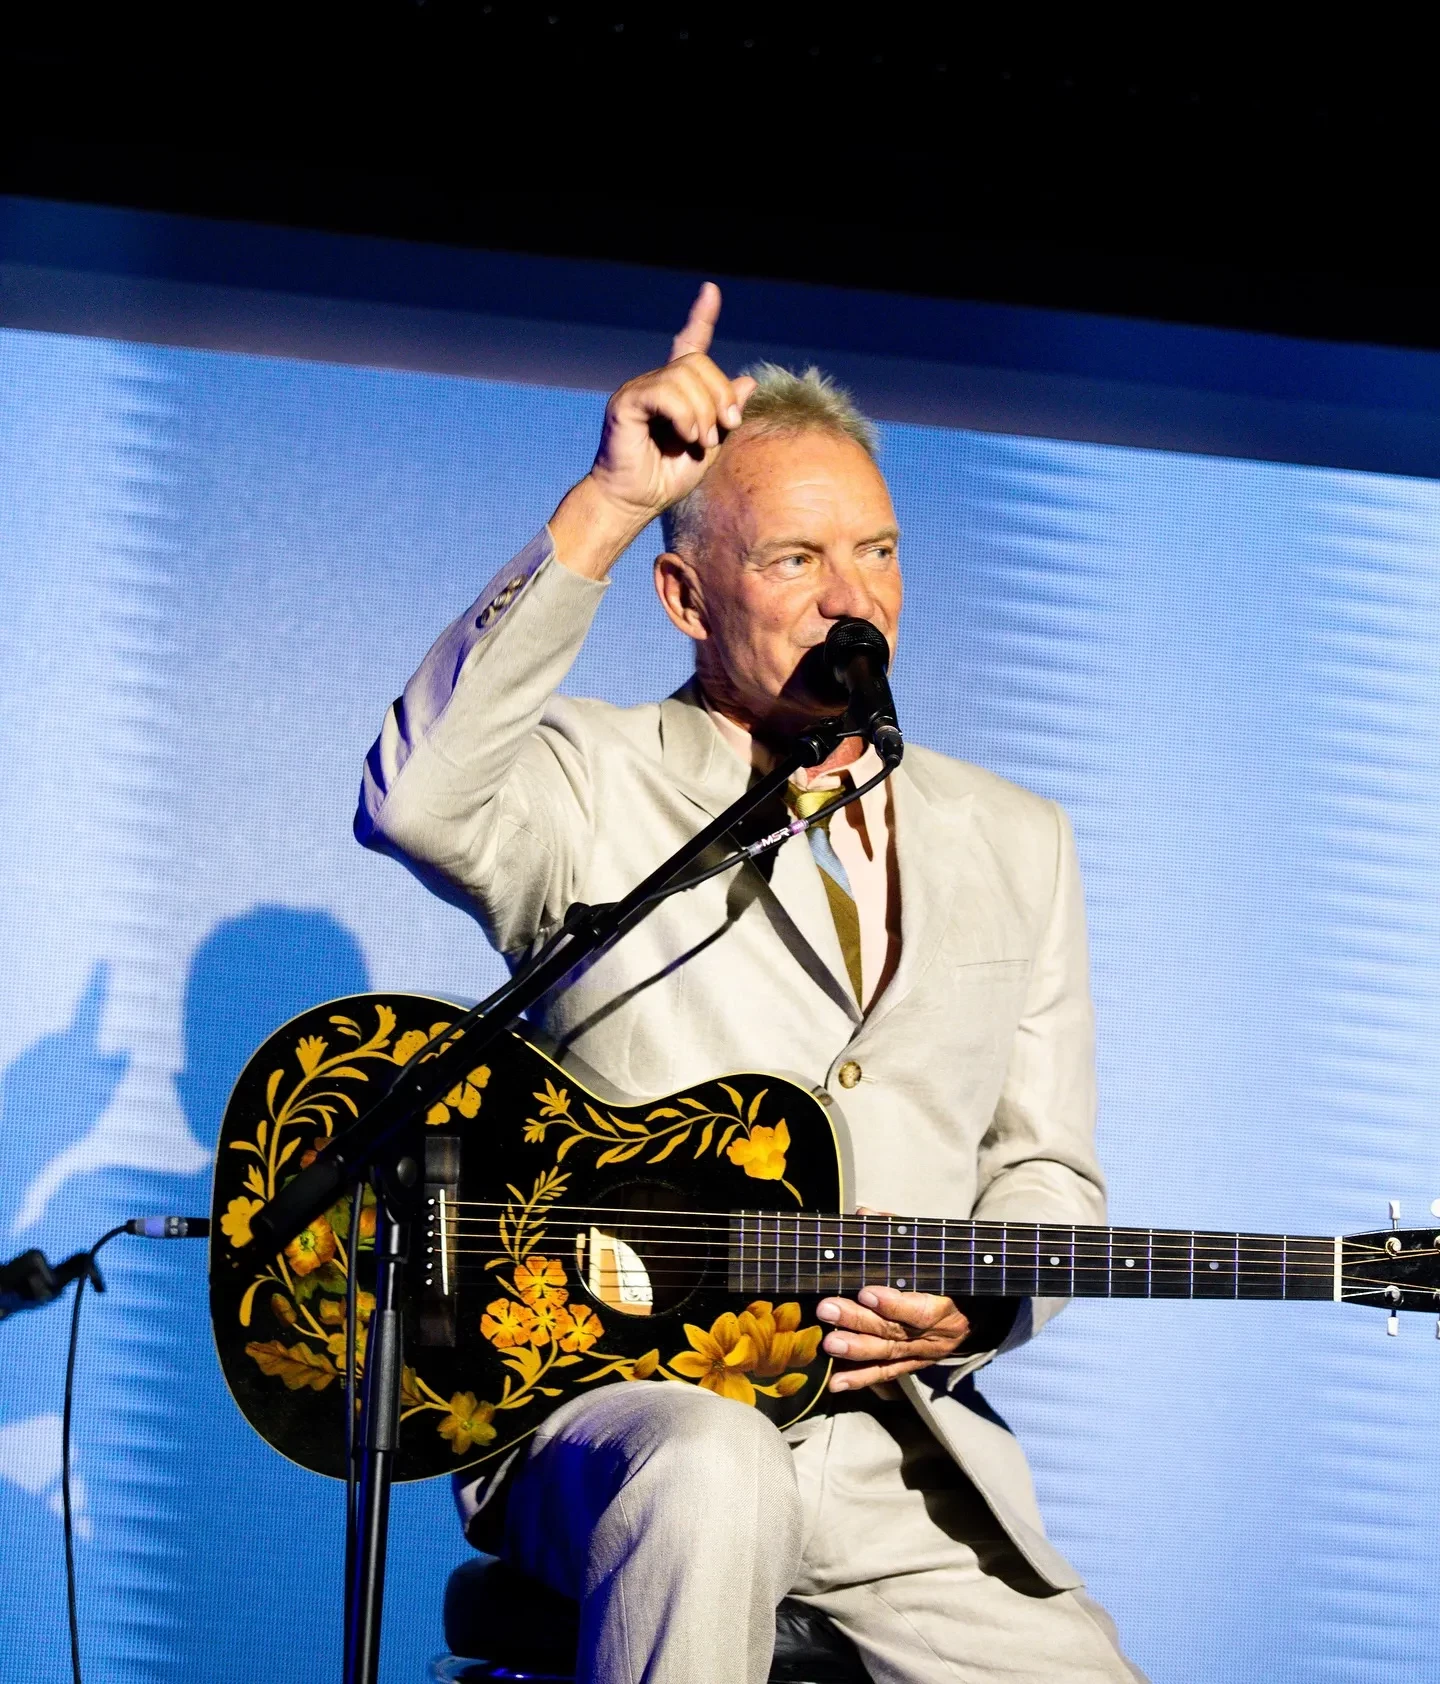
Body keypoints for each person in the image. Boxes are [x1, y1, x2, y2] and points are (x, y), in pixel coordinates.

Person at [357, 284, 1145, 1684]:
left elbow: (1045, 1172)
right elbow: (415, 798)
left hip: (902, 1467)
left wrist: (977, 1304)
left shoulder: (1020, 839)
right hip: (628, 1413)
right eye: (795, 559)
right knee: (714, 1464)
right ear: (686, 597)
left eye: (878, 551)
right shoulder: (591, 782)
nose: (855, 599)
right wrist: (610, 503)